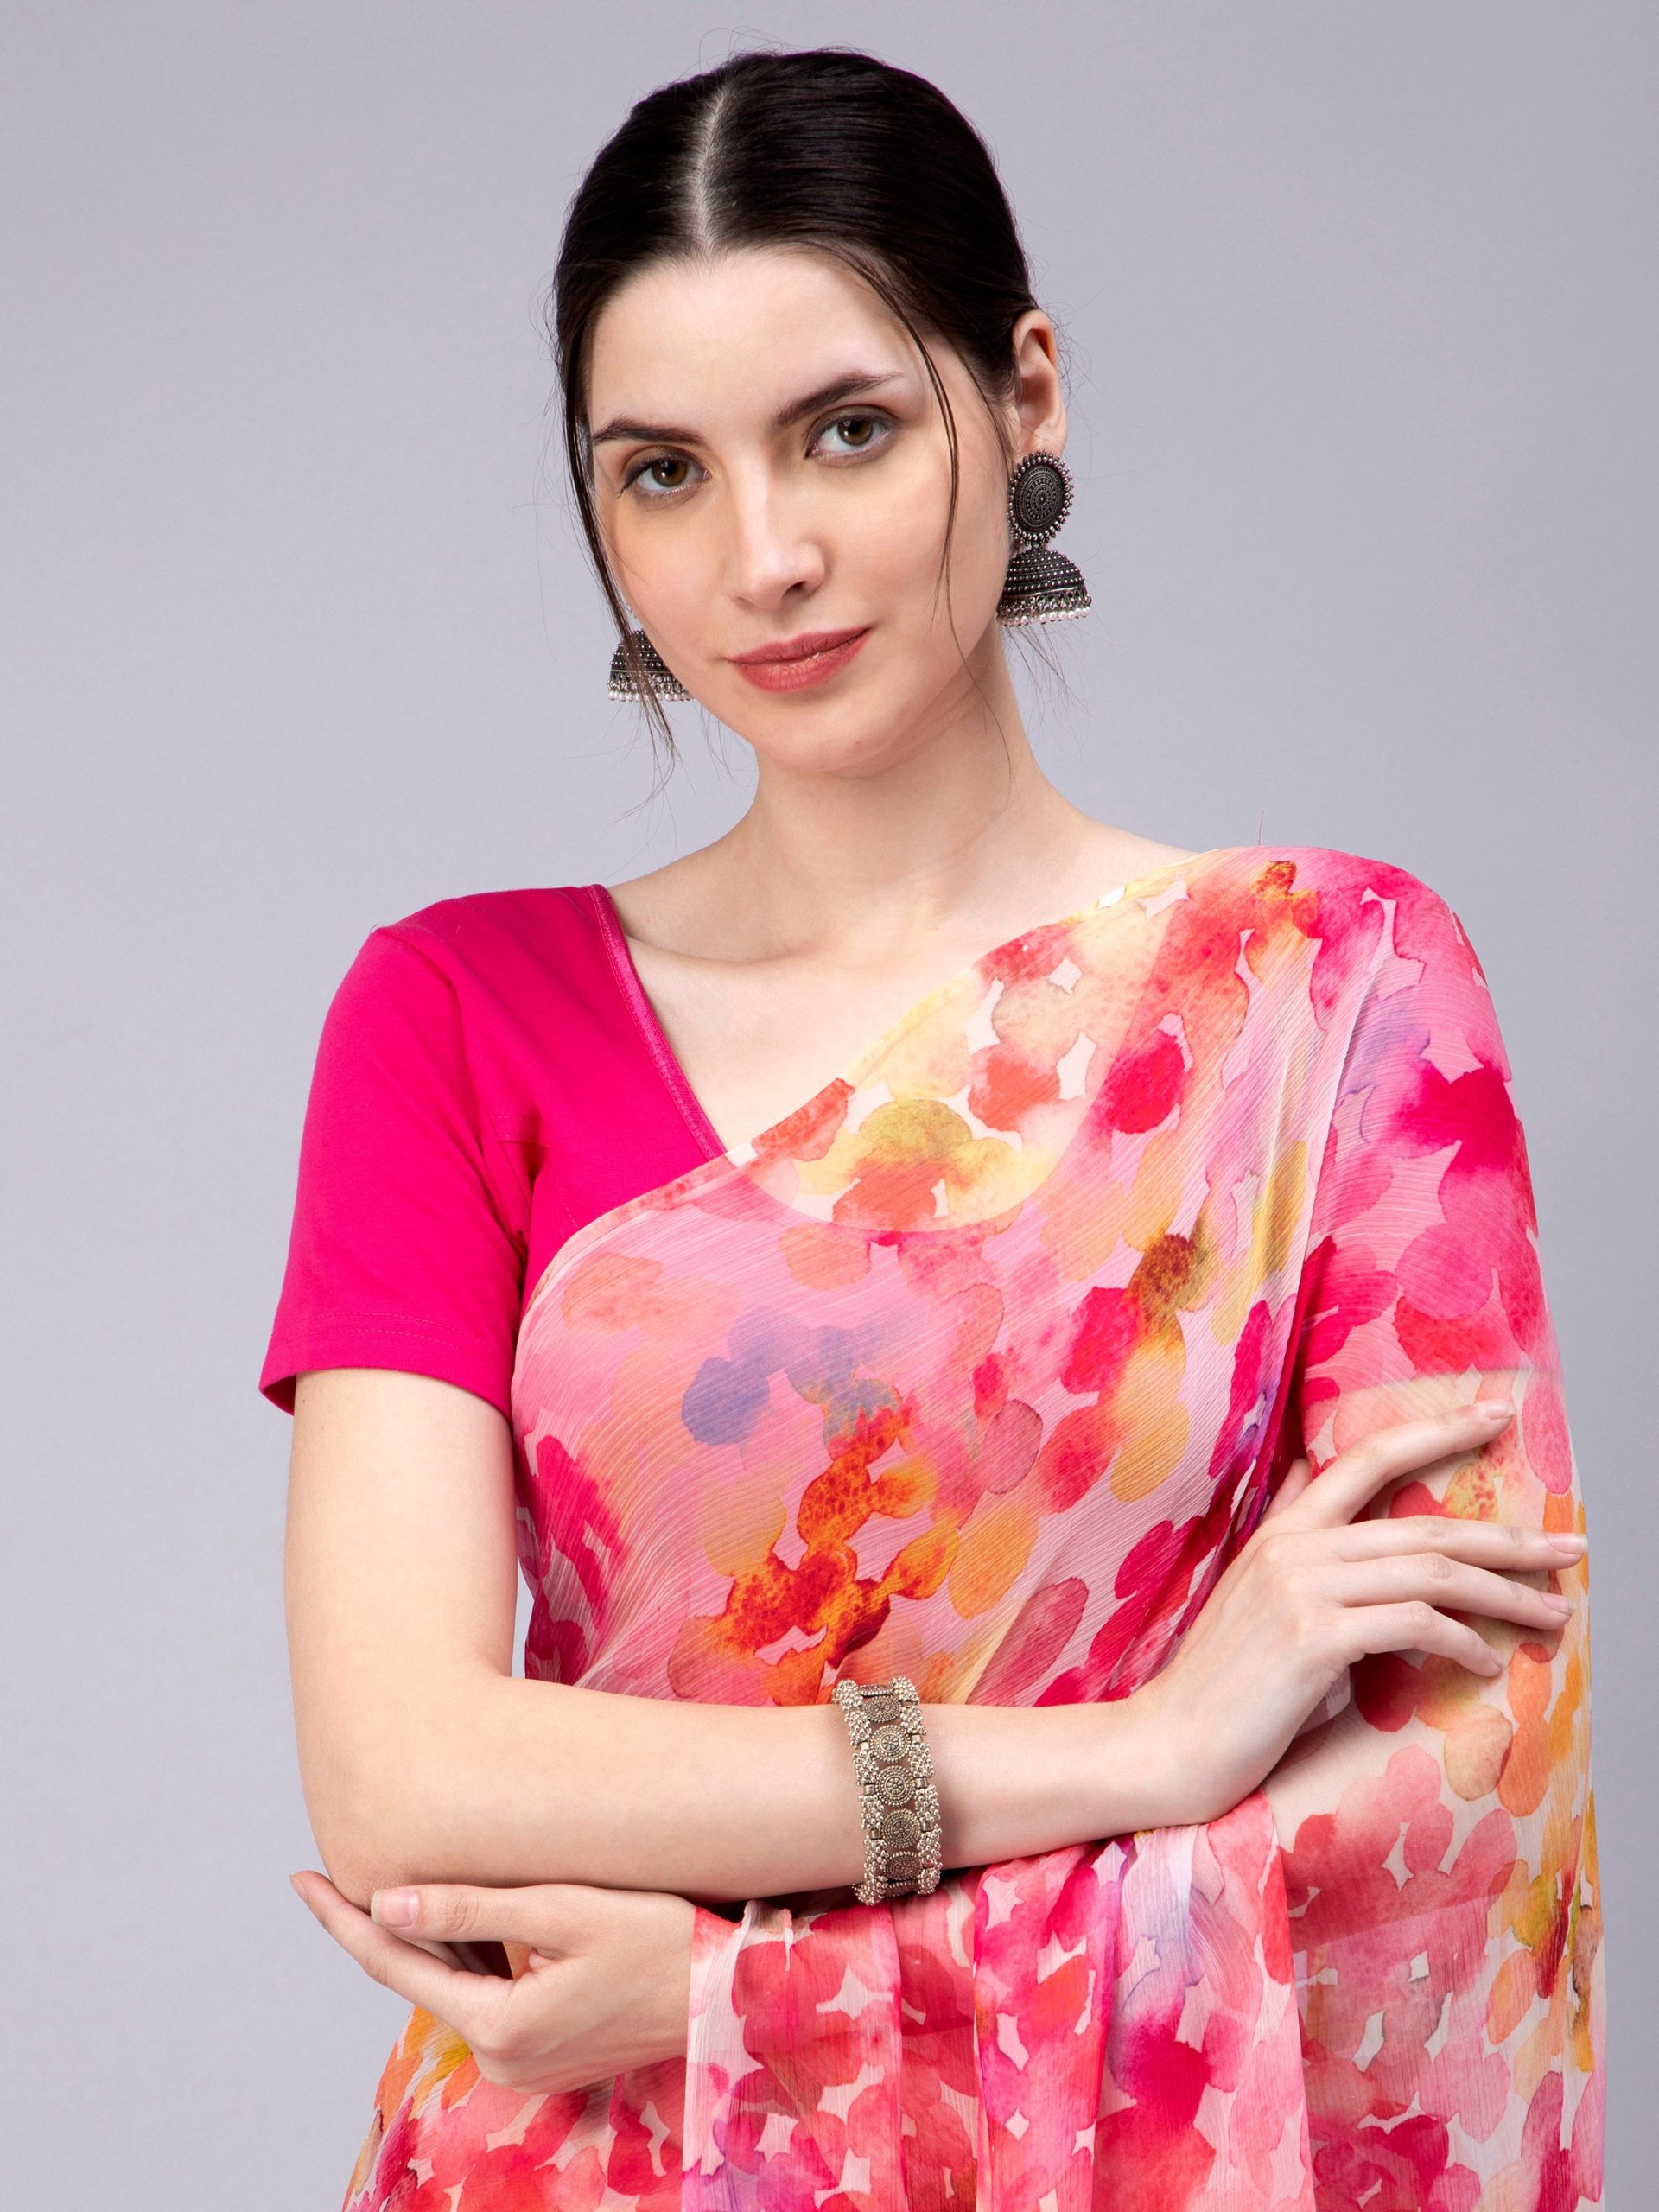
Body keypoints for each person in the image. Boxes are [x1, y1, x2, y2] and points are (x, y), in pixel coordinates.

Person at [267, 47, 1605, 2211]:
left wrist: (753, 1997)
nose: (766, 556)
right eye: (662, 473)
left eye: (849, 431)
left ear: (1026, 393)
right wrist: (1144, 1747)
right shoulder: (455, 1012)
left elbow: (1456, 1802)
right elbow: (406, 1770)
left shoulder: (1336, 999)